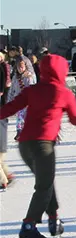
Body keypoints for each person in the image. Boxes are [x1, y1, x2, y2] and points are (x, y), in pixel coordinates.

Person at [0, 54, 76, 238]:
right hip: (43, 145)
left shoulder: (33, 90)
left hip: (25, 145)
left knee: (46, 182)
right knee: (44, 186)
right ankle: (28, 226)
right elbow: (75, 120)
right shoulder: (63, 93)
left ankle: (53, 219)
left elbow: (10, 108)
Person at [8, 60, 36, 141]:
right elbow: (12, 89)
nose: (20, 69)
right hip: (18, 100)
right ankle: (19, 132)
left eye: (22, 67)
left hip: (27, 100)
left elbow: (32, 88)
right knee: (19, 117)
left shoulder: (29, 77)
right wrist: (10, 100)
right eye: (19, 67)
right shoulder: (15, 77)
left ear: (25, 67)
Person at [0, 51, 14, 192]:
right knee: (0, 160)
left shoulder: (3, 67)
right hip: (2, 142)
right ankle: (7, 176)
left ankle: (3, 180)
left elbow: (4, 83)